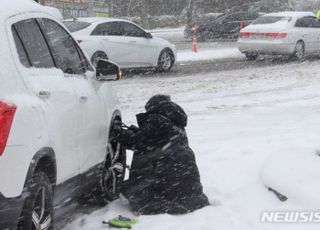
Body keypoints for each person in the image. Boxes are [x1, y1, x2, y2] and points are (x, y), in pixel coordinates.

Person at [116, 95, 209, 215]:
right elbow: (153, 139)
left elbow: (136, 142)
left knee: (135, 189)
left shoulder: (157, 120)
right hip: (189, 185)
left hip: (169, 179)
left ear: (151, 107)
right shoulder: (174, 122)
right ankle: (183, 198)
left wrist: (119, 133)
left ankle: (164, 202)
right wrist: (135, 131)